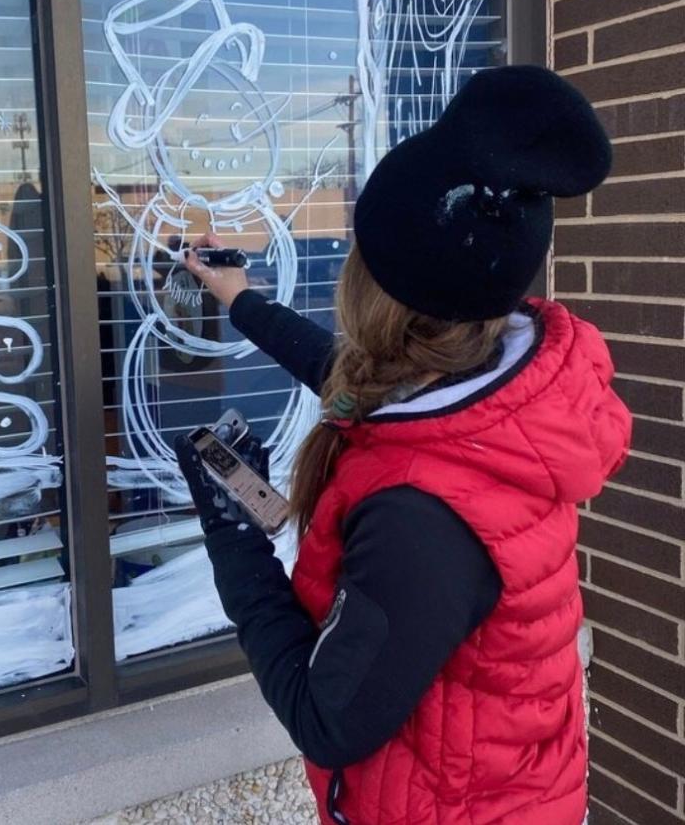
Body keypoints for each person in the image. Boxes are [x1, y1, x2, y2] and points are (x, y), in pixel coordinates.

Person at [174, 66, 632, 825]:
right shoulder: (489, 402)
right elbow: (348, 380)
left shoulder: (424, 518)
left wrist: (234, 531)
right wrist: (241, 299)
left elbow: (327, 718)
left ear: (376, 287)